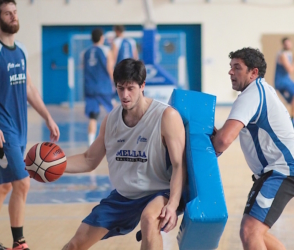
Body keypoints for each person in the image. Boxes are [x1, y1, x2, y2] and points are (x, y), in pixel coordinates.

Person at [62, 58, 186, 250]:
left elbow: (179, 165)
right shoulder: (111, 120)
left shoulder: (166, 116)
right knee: (75, 244)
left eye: (130, 88)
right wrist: (54, 165)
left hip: (160, 191)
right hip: (124, 195)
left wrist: (173, 204)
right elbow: (89, 160)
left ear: (142, 85)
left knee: (149, 219)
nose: (125, 95)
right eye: (120, 88)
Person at [211, 48, 294, 250]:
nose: (231, 72)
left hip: (282, 172)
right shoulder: (261, 89)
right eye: (231, 67)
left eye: (237, 68)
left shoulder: (251, 95)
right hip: (278, 172)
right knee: (257, 233)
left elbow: (223, 141)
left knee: (249, 231)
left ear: (253, 72)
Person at [0, 1, 60, 250]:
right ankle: (19, 243)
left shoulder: (21, 49)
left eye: (15, 12)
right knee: (22, 182)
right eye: (7, 13)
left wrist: (47, 116)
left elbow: (29, 88)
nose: (13, 17)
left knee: (4, 186)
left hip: (21, 127)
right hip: (5, 130)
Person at [83, 28, 114, 146]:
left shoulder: (86, 52)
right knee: (114, 114)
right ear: (102, 38)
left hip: (90, 87)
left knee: (93, 116)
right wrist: (116, 84)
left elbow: (83, 68)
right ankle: (117, 140)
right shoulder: (106, 51)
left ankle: (91, 143)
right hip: (104, 87)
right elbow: (109, 69)